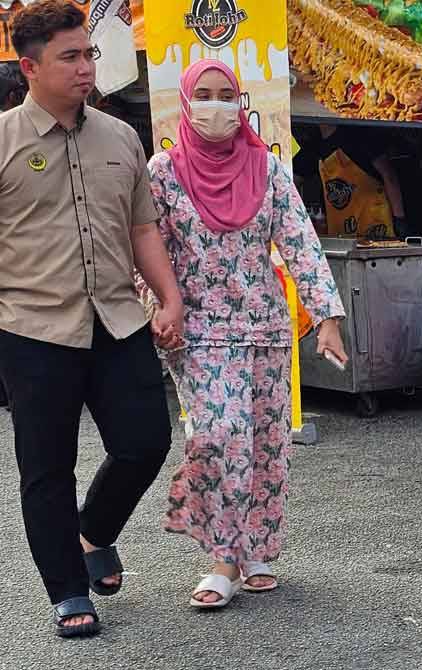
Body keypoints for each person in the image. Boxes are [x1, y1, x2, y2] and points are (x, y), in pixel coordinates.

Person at [0, 0, 184, 637]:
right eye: (70, 57)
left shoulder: (122, 137)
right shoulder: (2, 142)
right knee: (46, 468)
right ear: (30, 67)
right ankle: (68, 591)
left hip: (118, 320)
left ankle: (94, 532)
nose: (86, 67)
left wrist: (169, 296)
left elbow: (142, 228)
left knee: (145, 443)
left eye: (89, 54)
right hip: (31, 330)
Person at [145, 59, 347, 609]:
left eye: (226, 94)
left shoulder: (268, 169)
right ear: (186, 104)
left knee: (266, 442)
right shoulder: (162, 172)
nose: (217, 106)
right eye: (204, 95)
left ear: (241, 102)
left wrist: (325, 319)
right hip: (201, 329)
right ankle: (222, 559)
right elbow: (147, 250)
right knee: (218, 434)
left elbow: (300, 243)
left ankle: (257, 547)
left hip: (264, 326)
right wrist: (159, 310)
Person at [293, 123, 407, 240]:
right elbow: (290, 181)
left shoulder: (360, 135)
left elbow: (389, 176)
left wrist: (399, 220)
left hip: (376, 225)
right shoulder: (314, 146)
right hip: (341, 233)